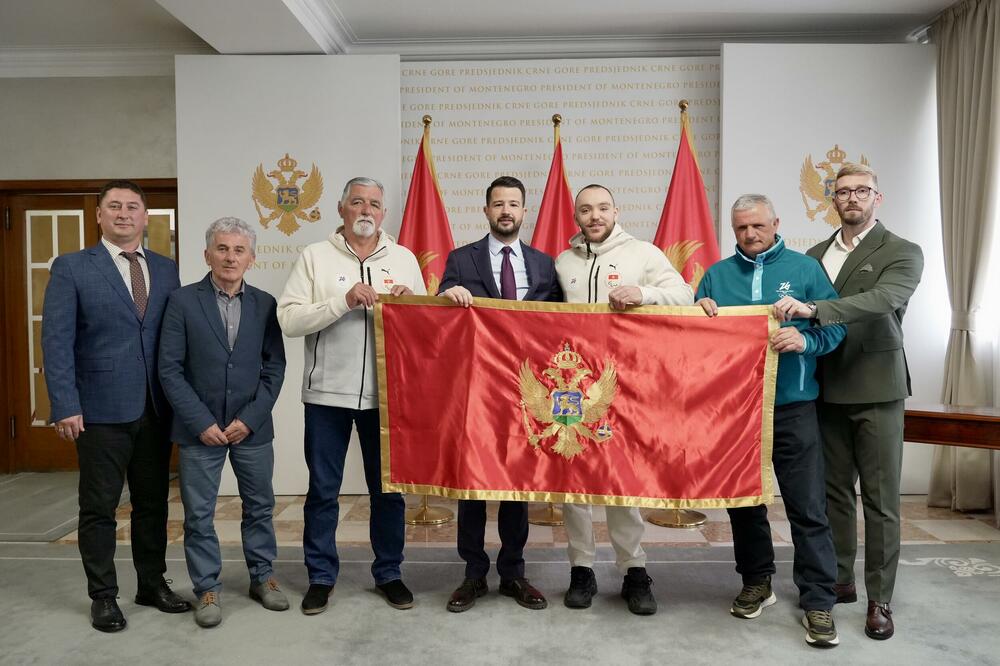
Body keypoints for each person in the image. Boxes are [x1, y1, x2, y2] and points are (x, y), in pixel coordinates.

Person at [774, 163, 923, 640]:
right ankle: (839, 579)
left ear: (878, 197)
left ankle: (880, 597)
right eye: (843, 192)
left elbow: (881, 299)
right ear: (832, 200)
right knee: (833, 493)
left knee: (881, 501)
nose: (852, 198)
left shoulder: (902, 251)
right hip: (825, 388)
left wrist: (817, 309)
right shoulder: (814, 256)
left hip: (877, 389)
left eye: (862, 190)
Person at [697, 194, 845, 648]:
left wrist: (805, 342)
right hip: (736, 411)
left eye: (758, 226)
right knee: (744, 503)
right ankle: (756, 581)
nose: (750, 235)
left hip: (793, 407)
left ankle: (818, 599)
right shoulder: (716, 275)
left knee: (807, 506)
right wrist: (699, 314)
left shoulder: (805, 269)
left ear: (776, 223)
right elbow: (692, 345)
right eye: (741, 228)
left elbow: (836, 326)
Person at [41, 180, 189, 632]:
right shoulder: (72, 267)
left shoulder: (166, 269)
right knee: (99, 507)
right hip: (98, 410)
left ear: (145, 216)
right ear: (99, 215)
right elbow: (56, 341)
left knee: (153, 504)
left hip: (156, 408)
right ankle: (103, 596)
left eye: (132, 206)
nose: (124, 213)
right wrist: (65, 404)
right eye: (114, 206)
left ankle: (151, 584)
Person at [277, 177, 426, 614]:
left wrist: (411, 306)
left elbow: (425, 333)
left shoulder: (403, 259)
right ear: (341, 209)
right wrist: (342, 300)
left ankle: (389, 573)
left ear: (384, 213)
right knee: (324, 491)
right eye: (357, 202)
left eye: (374, 204)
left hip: (387, 398)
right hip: (327, 397)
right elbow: (289, 319)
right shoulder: (314, 256)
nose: (366, 210)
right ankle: (321, 577)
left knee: (388, 492)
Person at [554, 184, 693, 615]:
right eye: (585, 210)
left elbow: (684, 295)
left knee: (621, 477)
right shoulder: (563, 262)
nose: (594, 216)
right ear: (576, 217)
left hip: (626, 384)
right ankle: (581, 568)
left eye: (602, 208)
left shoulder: (644, 254)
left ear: (616, 211)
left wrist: (644, 294)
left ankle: (634, 569)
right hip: (573, 387)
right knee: (573, 481)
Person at [438, 175, 563, 612]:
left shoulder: (544, 264)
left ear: (524, 211)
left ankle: (513, 572)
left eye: (513, 204)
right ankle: (473, 574)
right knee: (472, 482)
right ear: (486, 210)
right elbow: (437, 317)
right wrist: (446, 294)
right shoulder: (460, 259)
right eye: (498, 204)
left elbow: (561, 323)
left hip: (526, 393)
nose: (506, 211)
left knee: (516, 484)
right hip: (476, 390)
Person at [158, 217, 287, 628]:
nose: (230, 257)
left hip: (252, 428)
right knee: (199, 514)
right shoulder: (181, 302)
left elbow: (274, 368)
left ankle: (262, 577)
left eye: (239, 250)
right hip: (200, 431)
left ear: (251, 258)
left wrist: (250, 419)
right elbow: (169, 369)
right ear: (207, 255)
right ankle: (207, 588)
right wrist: (200, 421)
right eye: (223, 248)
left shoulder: (265, 304)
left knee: (260, 506)